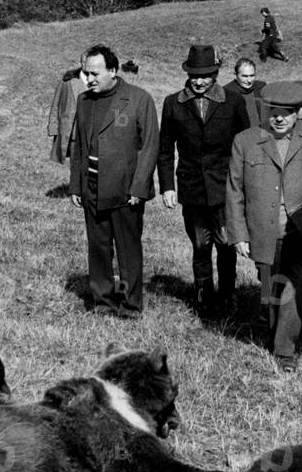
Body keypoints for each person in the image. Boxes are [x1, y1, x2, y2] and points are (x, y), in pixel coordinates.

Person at [226, 81, 302, 372]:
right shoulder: (246, 140)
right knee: (269, 291)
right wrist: (239, 234)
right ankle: (274, 331)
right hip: (263, 232)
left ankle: (284, 351)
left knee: (295, 288)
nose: (279, 118)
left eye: (287, 113)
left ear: (298, 113)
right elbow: (234, 191)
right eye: (273, 112)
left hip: (301, 232)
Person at [158, 44, 251, 315]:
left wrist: (244, 185)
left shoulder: (233, 102)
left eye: (206, 75)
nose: (199, 81)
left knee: (225, 243)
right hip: (192, 188)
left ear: (216, 73)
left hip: (225, 188)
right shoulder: (173, 103)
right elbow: (165, 149)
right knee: (200, 245)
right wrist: (167, 187)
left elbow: (244, 145)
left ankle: (228, 295)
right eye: (194, 75)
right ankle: (203, 296)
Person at [69, 44, 159, 318]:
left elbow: (149, 147)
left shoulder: (139, 99)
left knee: (128, 249)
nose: (89, 79)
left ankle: (131, 306)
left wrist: (139, 187)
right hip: (92, 188)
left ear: (113, 70)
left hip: (125, 191)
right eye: (86, 73)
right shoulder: (84, 102)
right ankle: (102, 301)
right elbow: (79, 147)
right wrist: (76, 185)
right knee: (98, 246)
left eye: (95, 73)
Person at [47, 59, 88, 164]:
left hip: (93, 136)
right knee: (75, 168)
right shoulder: (67, 82)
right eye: (83, 61)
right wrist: (53, 129)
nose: (86, 64)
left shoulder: (102, 83)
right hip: (74, 135)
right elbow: (56, 104)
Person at [223, 58, 266, 128]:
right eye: (245, 76)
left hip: (263, 134)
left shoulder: (261, 87)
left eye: (252, 76)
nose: (249, 80)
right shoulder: (227, 92)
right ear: (235, 75)